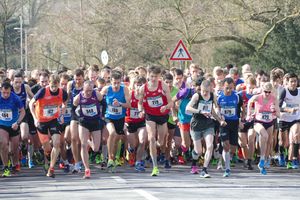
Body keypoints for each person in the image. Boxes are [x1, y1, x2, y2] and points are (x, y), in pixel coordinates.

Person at [29, 74, 68, 178]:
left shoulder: (62, 92)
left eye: (56, 86)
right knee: (47, 148)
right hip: (41, 121)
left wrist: (62, 112)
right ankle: (46, 155)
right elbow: (30, 104)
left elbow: (65, 102)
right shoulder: (42, 91)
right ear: (49, 84)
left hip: (53, 120)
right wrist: (35, 118)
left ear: (59, 84)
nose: (54, 89)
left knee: (57, 143)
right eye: (52, 86)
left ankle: (51, 168)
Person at [187, 79, 226, 177]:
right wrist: (200, 111)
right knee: (199, 151)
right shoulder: (197, 96)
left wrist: (220, 119)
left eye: (207, 91)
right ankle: (194, 161)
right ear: (200, 89)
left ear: (211, 89)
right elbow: (188, 108)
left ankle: (204, 170)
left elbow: (213, 110)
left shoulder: (213, 96)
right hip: (196, 124)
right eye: (203, 91)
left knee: (210, 146)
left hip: (208, 124)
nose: (204, 93)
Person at [138, 66, 173, 176]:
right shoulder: (143, 88)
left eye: (156, 77)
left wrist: (166, 107)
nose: (153, 79)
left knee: (161, 142)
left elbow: (171, 103)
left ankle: (156, 146)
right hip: (150, 115)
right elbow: (139, 103)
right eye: (152, 76)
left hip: (162, 115)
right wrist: (140, 111)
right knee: (151, 138)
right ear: (148, 75)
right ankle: (155, 166)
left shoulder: (163, 85)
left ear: (159, 76)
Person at [247, 82, 280, 175]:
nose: (267, 94)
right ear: (262, 90)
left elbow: (278, 114)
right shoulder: (258, 97)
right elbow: (250, 102)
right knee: (264, 135)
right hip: (258, 121)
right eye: (266, 92)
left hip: (269, 122)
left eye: (269, 92)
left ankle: (262, 162)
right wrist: (249, 113)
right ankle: (261, 159)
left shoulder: (274, 99)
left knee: (268, 141)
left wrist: (274, 110)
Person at [100, 72, 130, 172]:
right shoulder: (106, 89)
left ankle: (112, 157)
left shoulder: (124, 89)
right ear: (110, 81)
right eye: (114, 83)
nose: (116, 85)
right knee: (112, 133)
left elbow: (129, 104)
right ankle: (110, 159)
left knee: (116, 139)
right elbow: (98, 99)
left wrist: (120, 103)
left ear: (120, 81)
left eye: (118, 83)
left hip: (120, 118)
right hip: (109, 117)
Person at [73, 81, 103, 178]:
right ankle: (87, 169)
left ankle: (89, 141)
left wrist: (102, 116)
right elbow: (72, 110)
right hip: (84, 122)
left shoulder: (96, 94)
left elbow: (104, 103)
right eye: (86, 91)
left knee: (95, 148)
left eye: (90, 90)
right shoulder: (78, 97)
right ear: (83, 89)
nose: (88, 93)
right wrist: (78, 119)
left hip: (95, 122)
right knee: (83, 145)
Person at [217, 77, 243, 177]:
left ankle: (225, 156)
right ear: (223, 86)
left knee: (232, 148)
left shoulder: (237, 96)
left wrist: (241, 120)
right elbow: (216, 108)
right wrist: (220, 118)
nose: (229, 90)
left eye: (231, 88)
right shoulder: (219, 96)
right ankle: (227, 168)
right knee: (226, 145)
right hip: (224, 123)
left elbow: (242, 109)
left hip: (234, 122)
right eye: (227, 88)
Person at [0, 81, 25, 177]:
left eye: (8, 93)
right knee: (3, 143)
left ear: (11, 91)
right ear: (1, 90)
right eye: (4, 93)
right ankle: (6, 167)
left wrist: (17, 122)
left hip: (13, 124)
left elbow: (22, 112)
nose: (6, 95)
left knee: (14, 149)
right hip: (2, 124)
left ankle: (15, 163)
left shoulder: (15, 98)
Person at [11, 71, 34, 169]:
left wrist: (31, 102)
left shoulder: (26, 87)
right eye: (16, 82)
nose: (18, 84)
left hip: (23, 113)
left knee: (25, 136)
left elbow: (34, 98)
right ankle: (18, 156)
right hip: (12, 115)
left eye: (20, 82)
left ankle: (24, 153)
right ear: (12, 81)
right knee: (15, 139)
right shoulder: (10, 88)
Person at [125, 76, 147, 171]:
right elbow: (123, 106)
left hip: (142, 122)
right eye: (137, 85)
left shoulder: (146, 96)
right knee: (133, 145)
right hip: (130, 122)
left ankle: (138, 162)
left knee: (142, 141)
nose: (139, 87)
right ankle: (131, 152)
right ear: (133, 85)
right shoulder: (130, 95)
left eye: (141, 85)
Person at [278, 73, 300, 169]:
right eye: (291, 81)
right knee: (284, 143)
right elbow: (278, 107)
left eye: (295, 81)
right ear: (287, 82)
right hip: (284, 118)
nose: (294, 83)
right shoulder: (284, 91)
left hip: (296, 118)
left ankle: (292, 160)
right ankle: (281, 153)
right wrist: (289, 110)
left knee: (295, 136)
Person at [67, 68, 84, 173]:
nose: (77, 81)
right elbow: (67, 98)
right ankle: (77, 163)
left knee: (81, 140)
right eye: (76, 79)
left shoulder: (87, 85)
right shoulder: (71, 84)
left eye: (79, 79)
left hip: (84, 114)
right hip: (74, 113)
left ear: (83, 77)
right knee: (73, 138)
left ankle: (82, 160)